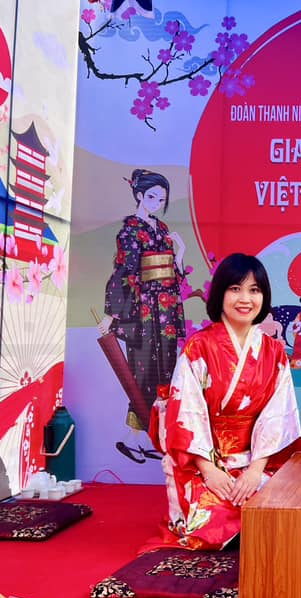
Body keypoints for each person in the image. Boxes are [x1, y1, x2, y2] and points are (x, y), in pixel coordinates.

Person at [148, 253, 301, 550]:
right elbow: (187, 413)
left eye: (254, 290)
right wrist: (210, 471)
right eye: (235, 289)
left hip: (256, 461)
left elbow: (277, 417)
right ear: (220, 293)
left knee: (283, 509)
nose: (245, 299)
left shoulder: (273, 352)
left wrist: (255, 471)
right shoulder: (199, 347)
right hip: (203, 463)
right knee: (213, 519)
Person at [101, 169, 187, 462]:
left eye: (161, 199)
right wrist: (112, 314)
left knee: (165, 373)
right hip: (145, 311)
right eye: (151, 197)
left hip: (165, 311)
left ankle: (149, 437)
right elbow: (124, 271)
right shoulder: (130, 231)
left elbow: (173, 275)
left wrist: (180, 253)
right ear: (139, 195)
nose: (156, 203)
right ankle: (133, 438)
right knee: (142, 373)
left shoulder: (162, 229)